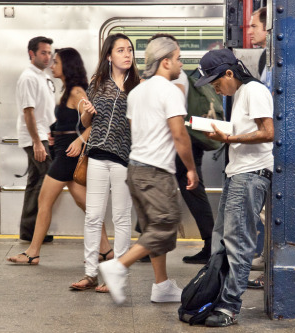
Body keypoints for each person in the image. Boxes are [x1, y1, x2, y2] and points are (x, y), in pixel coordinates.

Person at [99, 37, 199, 304]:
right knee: (165, 227)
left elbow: (135, 128)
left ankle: (162, 286)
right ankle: (117, 267)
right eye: (178, 58)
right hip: (156, 172)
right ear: (165, 62)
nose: (181, 64)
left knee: (153, 229)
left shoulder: (136, 92)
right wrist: (190, 168)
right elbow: (179, 135)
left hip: (135, 170)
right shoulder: (170, 92)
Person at [6, 47, 113, 266]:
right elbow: (70, 121)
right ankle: (105, 250)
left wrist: (79, 140)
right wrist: (56, 132)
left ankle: (33, 252)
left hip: (67, 155)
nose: (52, 65)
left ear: (68, 65)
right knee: (84, 203)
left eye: (56, 62)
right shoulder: (67, 90)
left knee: (44, 200)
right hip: (63, 151)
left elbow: (94, 121)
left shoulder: (76, 92)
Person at [196, 49, 274, 327]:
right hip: (237, 173)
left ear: (230, 73)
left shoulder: (253, 90)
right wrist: (222, 132)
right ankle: (216, 296)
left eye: (217, 82)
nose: (216, 88)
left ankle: (230, 307)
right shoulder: (239, 95)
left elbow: (268, 131)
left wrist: (228, 137)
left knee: (238, 244)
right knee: (221, 241)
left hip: (250, 175)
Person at [69, 34, 141, 292]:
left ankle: (116, 276)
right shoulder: (97, 83)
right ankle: (90, 273)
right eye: (120, 50)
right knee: (93, 216)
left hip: (124, 158)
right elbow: (88, 124)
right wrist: (86, 115)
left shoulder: (138, 85)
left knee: (121, 217)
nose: (127, 54)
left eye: (129, 50)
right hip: (97, 155)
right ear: (109, 56)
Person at [153, 33, 215, 265]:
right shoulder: (169, 78)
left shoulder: (176, 80)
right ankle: (151, 238)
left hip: (180, 144)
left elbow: (175, 115)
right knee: (188, 192)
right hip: (178, 144)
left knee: (193, 192)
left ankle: (211, 245)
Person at [13, 37, 56, 242]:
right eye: (43, 53)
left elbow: (43, 111)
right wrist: (37, 142)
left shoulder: (42, 76)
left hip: (42, 134)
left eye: (49, 52)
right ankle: (35, 230)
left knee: (36, 182)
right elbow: (28, 112)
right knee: (48, 180)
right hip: (35, 138)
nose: (48, 57)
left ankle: (28, 230)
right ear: (32, 54)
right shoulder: (28, 78)